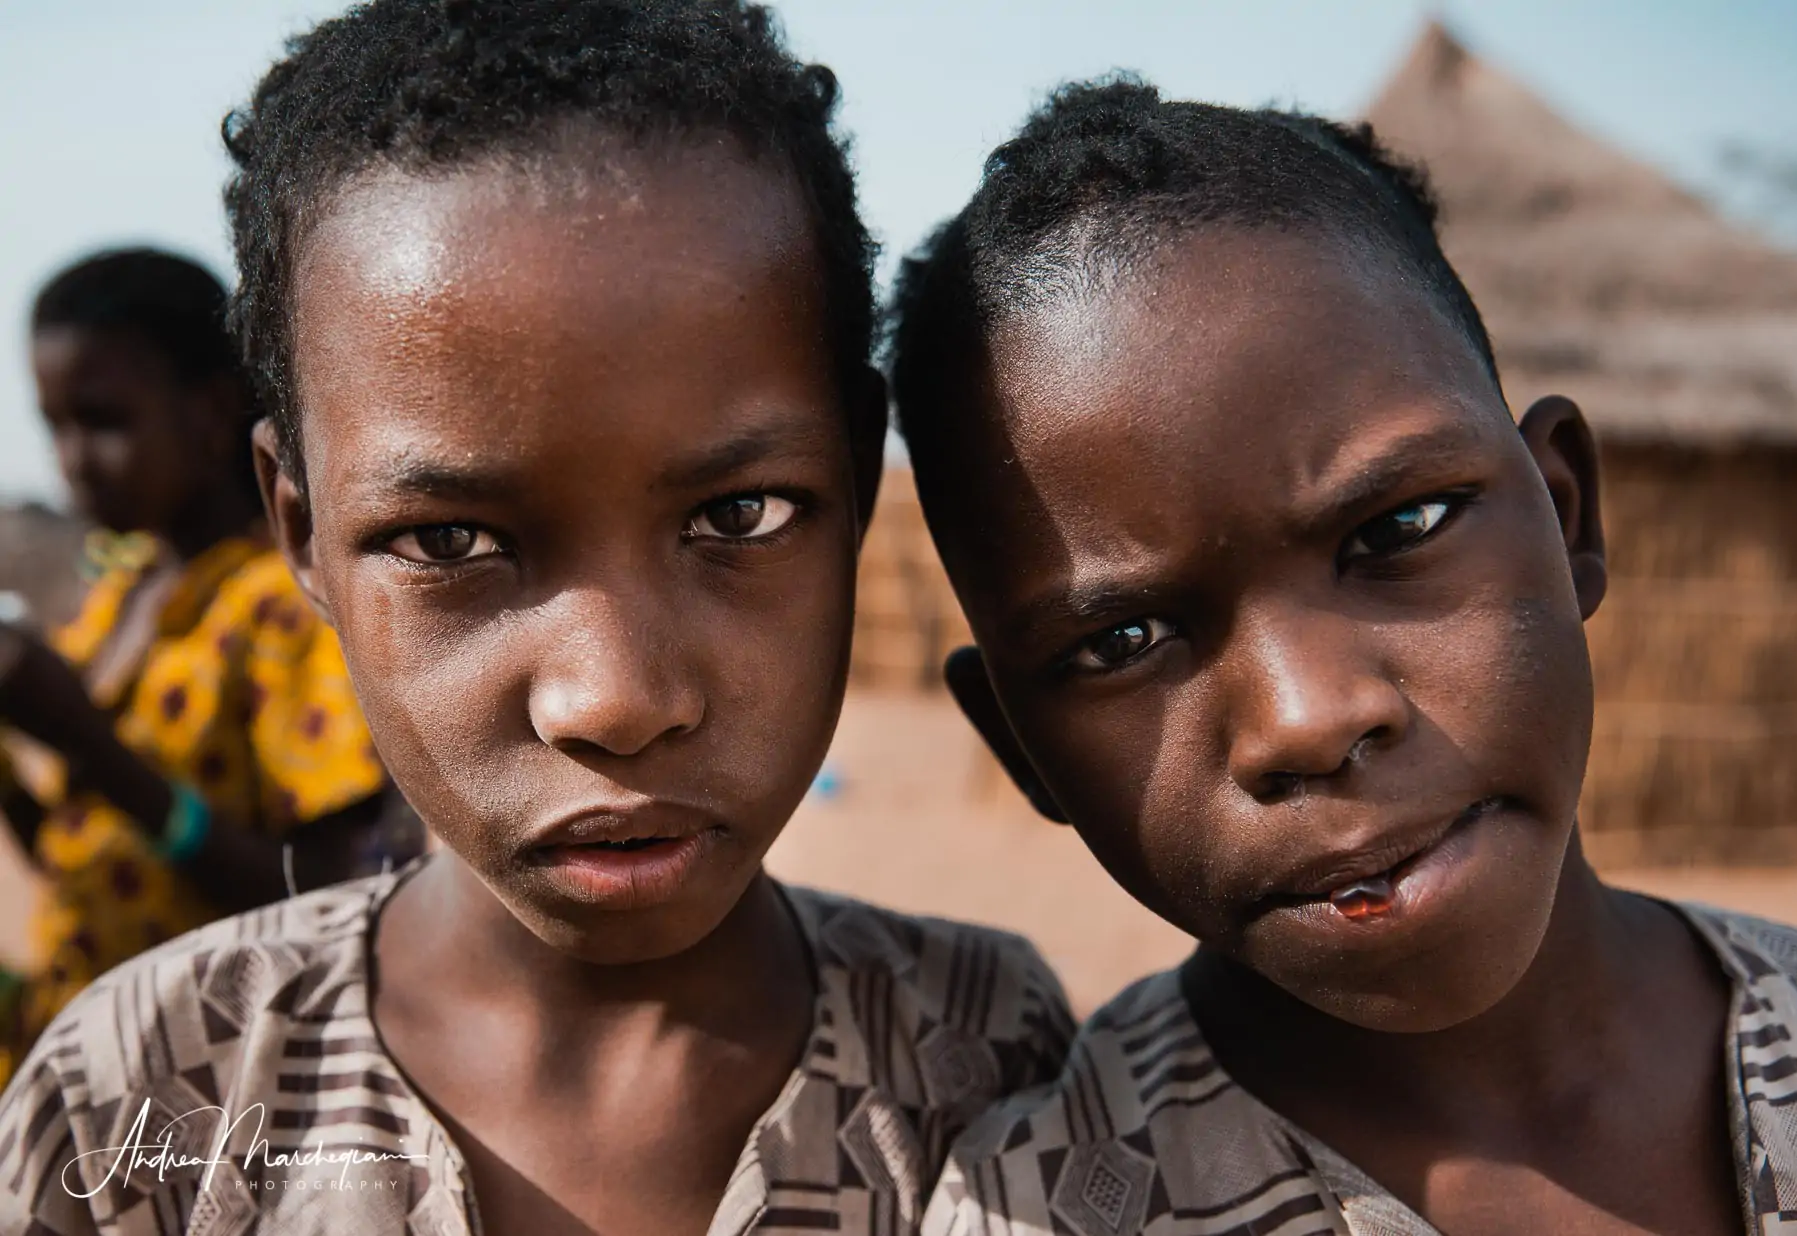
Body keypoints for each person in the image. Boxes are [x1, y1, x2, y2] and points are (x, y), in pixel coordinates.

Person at [0, 4, 1074, 1234]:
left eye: (740, 515)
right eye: (449, 542)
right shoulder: (139, 1097)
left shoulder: (990, 1053)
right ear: (299, 530)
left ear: (852, 457)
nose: (613, 698)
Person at [889, 79, 1797, 1235]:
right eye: (1123, 641)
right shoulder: (1031, 1214)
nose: (1309, 717)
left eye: (1398, 530)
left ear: (1567, 512)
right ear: (1019, 747)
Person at [0, 248, 410, 1087]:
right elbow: (95, 855)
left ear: (212, 409)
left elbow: (327, 900)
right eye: (55, 425)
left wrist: (89, 742)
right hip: (91, 1057)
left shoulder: (282, 609)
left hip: (214, 1079)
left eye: (105, 420)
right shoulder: (120, 596)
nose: (75, 459)